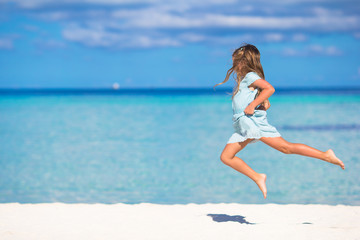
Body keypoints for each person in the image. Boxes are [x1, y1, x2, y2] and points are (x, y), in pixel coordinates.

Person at [214, 43, 345, 199]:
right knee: (226, 157)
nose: (234, 66)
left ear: (243, 62)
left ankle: (326, 155)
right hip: (244, 126)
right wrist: (262, 102)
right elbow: (264, 95)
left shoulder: (250, 76)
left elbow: (269, 88)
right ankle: (257, 177)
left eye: (235, 62)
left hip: (252, 124)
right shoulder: (246, 81)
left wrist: (252, 105)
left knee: (286, 147)